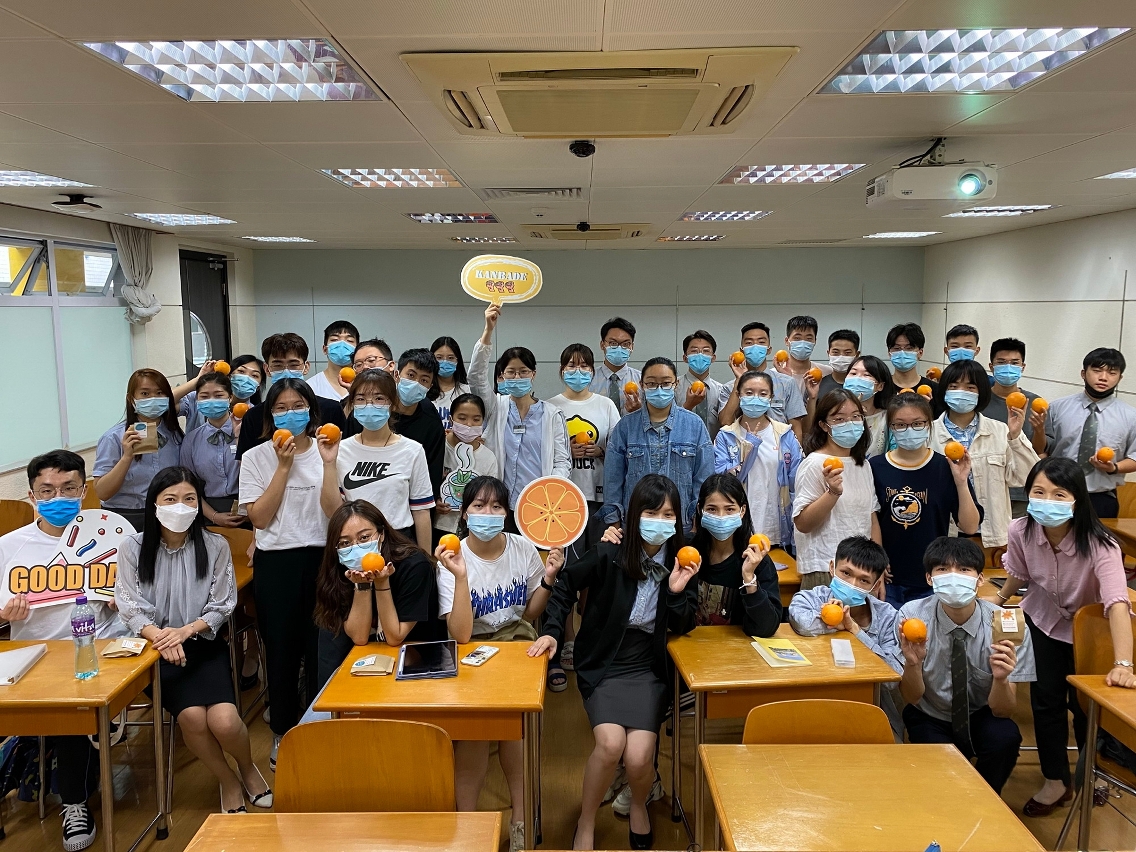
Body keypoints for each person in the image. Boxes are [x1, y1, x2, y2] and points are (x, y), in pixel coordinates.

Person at [529, 474, 699, 852]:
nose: (660, 521)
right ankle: (586, 821)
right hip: (604, 661)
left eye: (668, 514)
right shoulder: (611, 551)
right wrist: (553, 632)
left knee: (638, 757)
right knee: (610, 745)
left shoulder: (681, 560)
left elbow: (685, 622)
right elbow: (565, 584)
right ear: (634, 516)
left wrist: (675, 591)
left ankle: (638, 803)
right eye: (651, 513)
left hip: (648, 666)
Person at [115, 467, 272, 815]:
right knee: (192, 718)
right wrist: (161, 637)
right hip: (155, 652)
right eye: (170, 499)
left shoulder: (214, 545)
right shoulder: (132, 548)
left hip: (202, 644)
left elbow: (223, 604)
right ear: (154, 504)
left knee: (225, 721)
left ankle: (248, 768)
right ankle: (228, 781)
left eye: (189, 499)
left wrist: (185, 631)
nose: (180, 506)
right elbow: (129, 605)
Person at [0, 451, 127, 851]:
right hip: (31, 656)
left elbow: (141, 600)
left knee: (75, 704)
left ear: (84, 490)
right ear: (32, 496)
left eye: (69, 488)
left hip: (96, 650)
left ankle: (74, 804)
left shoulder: (114, 538)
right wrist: (3, 615)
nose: (59, 497)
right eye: (47, 490)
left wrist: (123, 601)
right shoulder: (9, 547)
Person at [995, 457, 1136, 816]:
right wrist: (998, 600)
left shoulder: (1102, 545)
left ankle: (1093, 773)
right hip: (1044, 620)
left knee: (1086, 706)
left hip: (1091, 633)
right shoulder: (1021, 529)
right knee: (1046, 702)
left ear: (1077, 500)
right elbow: (1019, 573)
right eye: (1039, 492)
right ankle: (1055, 779)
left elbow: (1117, 604)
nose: (1047, 501)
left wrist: (1123, 663)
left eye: (1059, 494)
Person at [434, 476, 564, 852]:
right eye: (478, 506)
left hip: (516, 647)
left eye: (496, 506)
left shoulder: (522, 548)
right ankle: (467, 829)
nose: (487, 513)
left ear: (507, 513)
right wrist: (460, 576)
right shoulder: (451, 555)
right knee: (474, 741)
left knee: (517, 737)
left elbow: (530, 612)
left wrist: (548, 579)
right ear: (464, 513)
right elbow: (460, 634)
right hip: (472, 650)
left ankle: (520, 823)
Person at [237, 378, 329, 769]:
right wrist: (284, 466)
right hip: (276, 562)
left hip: (324, 559)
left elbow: (336, 511)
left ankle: (319, 730)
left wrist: (327, 462)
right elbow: (258, 517)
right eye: (281, 408)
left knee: (321, 649)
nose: (290, 413)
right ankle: (283, 733)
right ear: (269, 414)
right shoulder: (256, 457)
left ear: (311, 410)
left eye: (298, 405)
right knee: (281, 651)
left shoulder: (329, 450)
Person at [896, 536, 1036, 794]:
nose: (953, 576)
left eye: (963, 569)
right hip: (931, 713)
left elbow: (1003, 710)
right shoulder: (911, 617)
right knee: (938, 780)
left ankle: (986, 800)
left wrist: (1001, 679)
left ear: (980, 579)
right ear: (929, 579)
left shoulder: (1006, 625)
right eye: (942, 569)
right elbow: (912, 697)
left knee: (1005, 737)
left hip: (982, 712)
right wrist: (913, 664)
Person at [313, 500, 445, 687]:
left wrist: (382, 583)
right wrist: (362, 586)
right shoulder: (338, 570)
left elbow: (395, 637)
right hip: (361, 659)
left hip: (415, 660)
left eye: (364, 537)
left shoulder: (414, 565)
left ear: (381, 534)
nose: (356, 547)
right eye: (345, 543)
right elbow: (359, 637)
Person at [870, 393, 982, 605]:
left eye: (917, 423)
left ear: (929, 425)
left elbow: (969, 526)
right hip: (887, 578)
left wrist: (961, 482)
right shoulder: (875, 467)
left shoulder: (945, 467)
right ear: (891, 427)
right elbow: (870, 520)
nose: (909, 430)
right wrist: (876, 566)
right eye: (900, 424)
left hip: (933, 578)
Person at [787, 535, 902, 735]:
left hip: (871, 711)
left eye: (863, 580)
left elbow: (893, 677)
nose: (852, 584)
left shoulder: (888, 617)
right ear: (832, 568)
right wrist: (833, 622)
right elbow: (802, 624)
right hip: (814, 703)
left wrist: (854, 630)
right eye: (846, 573)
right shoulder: (810, 598)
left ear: (875, 586)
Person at [470, 305, 572, 527]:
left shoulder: (552, 414)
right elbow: (476, 377)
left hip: (540, 505)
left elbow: (562, 461)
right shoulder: (495, 407)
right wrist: (488, 331)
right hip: (498, 505)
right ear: (502, 376)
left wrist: (550, 491)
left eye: (523, 371)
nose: (517, 376)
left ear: (533, 374)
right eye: (511, 372)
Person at [930, 360, 1038, 559]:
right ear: (943, 390)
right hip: (943, 535)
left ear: (982, 392)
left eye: (970, 387)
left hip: (992, 539)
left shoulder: (1000, 431)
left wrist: (1015, 436)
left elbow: (1027, 477)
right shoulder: (929, 433)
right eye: (953, 386)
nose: (961, 392)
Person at [321, 369, 435, 552]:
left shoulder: (412, 450)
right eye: (361, 399)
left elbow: (421, 511)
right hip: (354, 545)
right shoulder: (340, 449)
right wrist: (328, 463)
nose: (369, 405)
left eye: (379, 398)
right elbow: (332, 511)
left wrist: (426, 559)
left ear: (393, 403)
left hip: (399, 544)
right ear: (352, 404)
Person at [602, 356, 713, 535]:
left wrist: (698, 520)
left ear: (676, 384)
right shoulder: (625, 426)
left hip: (682, 526)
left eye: (666, 383)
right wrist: (613, 522)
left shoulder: (694, 425)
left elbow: (704, 477)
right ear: (642, 385)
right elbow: (613, 479)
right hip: (635, 526)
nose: (659, 389)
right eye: (652, 384)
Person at [792, 390, 881, 590]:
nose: (850, 423)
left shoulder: (863, 464)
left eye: (856, 417)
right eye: (839, 419)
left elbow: (871, 518)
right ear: (824, 425)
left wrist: (878, 567)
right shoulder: (814, 463)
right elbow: (803, 524)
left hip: (863, 570)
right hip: (826, 568)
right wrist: (832, 492)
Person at [714, 371, 801, 550]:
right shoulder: (726, 436)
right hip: (736, 527)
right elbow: (722, 482)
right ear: (738, 395)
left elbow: (797, 481)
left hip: (778, 528)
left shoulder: (785, 434)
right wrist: (748, 451)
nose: (756, 398)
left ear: (771, 398)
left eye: (763, 394)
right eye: (749, 393)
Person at [1046, 347, 1136, 519]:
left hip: (1101, 498)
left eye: (1112, 373)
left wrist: (1114, 468)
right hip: (1056, 492)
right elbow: (1044, 449)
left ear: (1120, 378)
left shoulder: (1131, 417)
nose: (1103, 377)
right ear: (1083, 373)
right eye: (1097, 370)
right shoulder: (1057, 408)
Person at [93, 368, 184, 529]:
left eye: (160, 393)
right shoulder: (113, 437)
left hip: (168, 514)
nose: (153, 398)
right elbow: (102, 492)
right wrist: (127, 457)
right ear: (132, 399)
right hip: (126, 518)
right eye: (145, 394)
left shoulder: (175, 434)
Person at [235, 333, 347, 459]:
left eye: (293, 365)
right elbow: (246, 462)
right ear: (267, 369)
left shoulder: (331, 409)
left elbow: (346, 454)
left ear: (306, 367)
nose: (286, 371)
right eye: (278, 365)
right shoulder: (253, 416)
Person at [983, 338, 1052, 517]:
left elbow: (1039, 452)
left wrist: (1039, 429)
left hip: (1022, 490)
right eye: (1001, 362)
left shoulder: (1035, 403)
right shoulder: (980, 402)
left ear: (1023, 367)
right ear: (991, 366)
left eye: (1014, 363)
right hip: (987, 488)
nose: (1008, 367)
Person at [718, 321, 807, 443]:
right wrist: (739, 380)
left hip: (778, 449)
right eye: (749, 343)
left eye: (761, 342)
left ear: (769, 349)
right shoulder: (729, 387)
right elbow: (725, 422)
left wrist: (796, 452)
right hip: (741, 449)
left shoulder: (787, 383)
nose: (755, 346)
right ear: (741, 350)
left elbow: (796, 428)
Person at [179, 371, 244, 527]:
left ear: (230, 397)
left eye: (218, 395)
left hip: (248, 508)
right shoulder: (191, 440)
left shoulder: (247, 430)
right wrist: (214, 516)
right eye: (204, 396)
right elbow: (187, 485)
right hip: (207, 511)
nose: (211, 401)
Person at [437, 394, 499, 538]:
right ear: (451, 419)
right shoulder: (438, 448)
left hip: (474, 529)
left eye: (476, 419)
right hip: (439, 524)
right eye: (462, 418)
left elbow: (492, 496)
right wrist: (434, 502)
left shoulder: (488, 457)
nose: (469, 424)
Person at [173, 354, 265, 432]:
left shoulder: (257, 415)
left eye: (254, 375)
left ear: (258, 386)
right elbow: (168, 401)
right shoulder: (201, 398)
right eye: (241, 371)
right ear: (229, 375)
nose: (246, 379)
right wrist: (198, 381)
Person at [676, 330, 729, 438]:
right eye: (694, 351)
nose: (700, 355)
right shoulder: (674, 387)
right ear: (685, 358)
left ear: (713, 358)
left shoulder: (722, 391)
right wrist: (687, 406)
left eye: (706, 351)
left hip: (713, 446)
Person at [843, 355, 896, 458]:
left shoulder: (888, 417)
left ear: (880, 386)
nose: (857, 378)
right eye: (853, 373)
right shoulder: (835, 414)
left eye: (866, 375)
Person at [588, 317, 641, 416]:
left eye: (626, 344)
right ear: (602, 345)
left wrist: (640, 411)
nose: (619, 348)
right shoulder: (588, 379)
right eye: (613, 343)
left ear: (632, 347)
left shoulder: (642, 380)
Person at [778, 315, 832, 396]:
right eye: (797, 338)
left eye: (809, 338)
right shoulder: (775, 374)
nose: (803, 343)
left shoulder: (826, 372)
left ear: (815, 341)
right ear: (786, 341)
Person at [307, 320, 359, 400]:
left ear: (357, 350)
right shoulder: (311, 387)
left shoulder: (366, 384)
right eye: (335, 340)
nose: (342, 345)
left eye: (349, 341)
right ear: (325, 349)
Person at [885, 322, 940, 398]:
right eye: (897, 348)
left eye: (909, 348)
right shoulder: (881, 388)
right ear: (889, 353)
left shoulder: (934, 390)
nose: (902, 353)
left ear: (920, 353)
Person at [429, 336, 472, 430]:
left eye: (450, 358)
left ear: (457, 360)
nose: (445, 362)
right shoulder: (423, 390)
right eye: (439, 358)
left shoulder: (467, 391)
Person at [816, 329, 860, 400]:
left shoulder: (863, 386)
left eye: (847, 353)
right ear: (828, 353)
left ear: (857, 355)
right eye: (836, 352)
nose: (841, 357)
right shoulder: (818, 386)